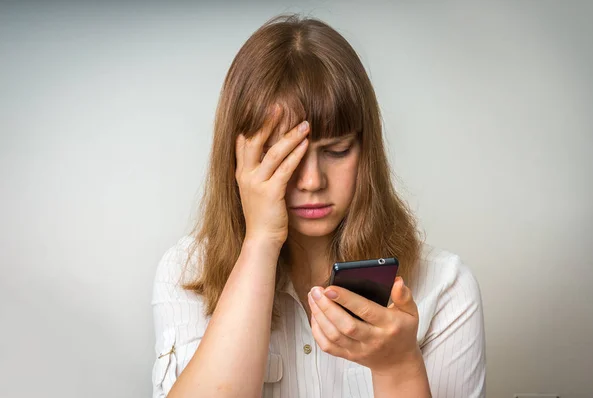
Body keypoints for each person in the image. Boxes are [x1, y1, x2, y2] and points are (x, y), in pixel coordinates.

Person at [152, 14, 486, 398]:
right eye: (283, 157)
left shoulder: (445, 287)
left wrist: (398, 366)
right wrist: (260, 240)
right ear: (238, 159)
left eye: (338, 151)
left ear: (367, 153)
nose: (312, 182)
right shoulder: (186, 273)